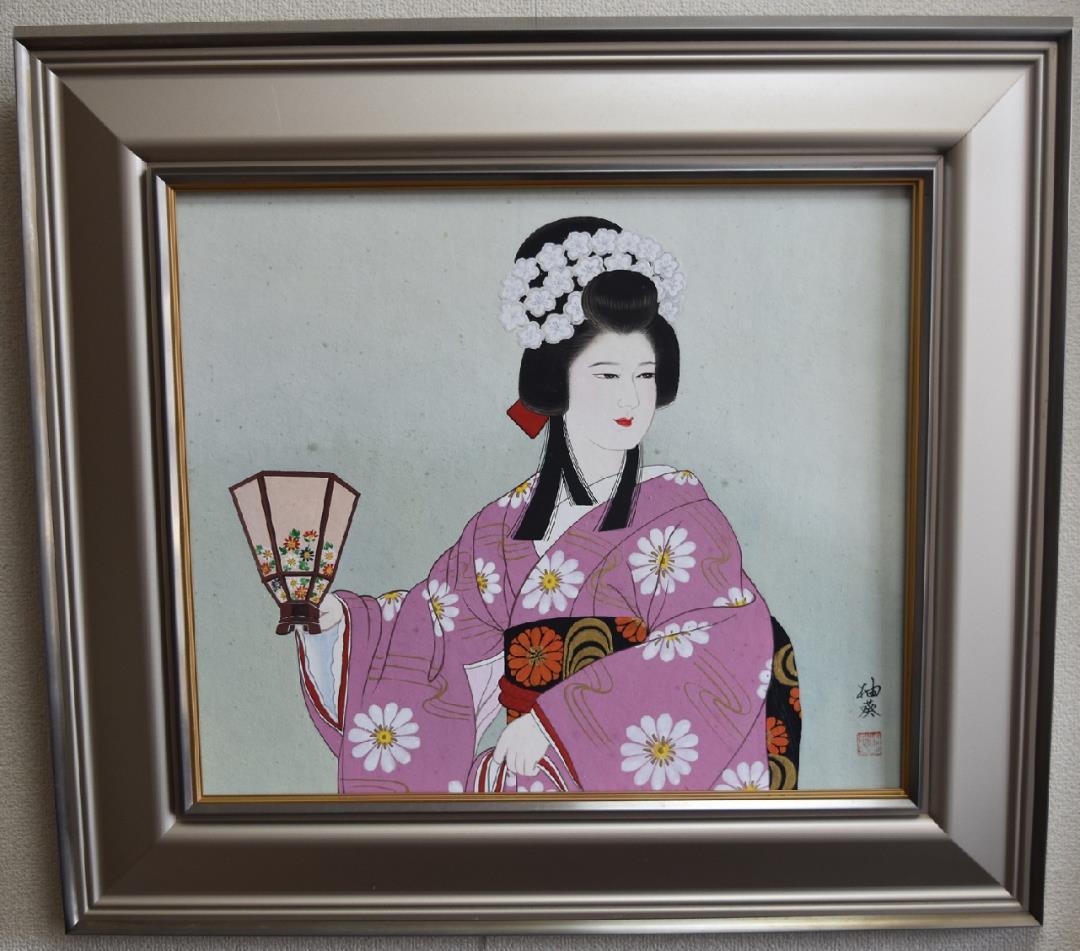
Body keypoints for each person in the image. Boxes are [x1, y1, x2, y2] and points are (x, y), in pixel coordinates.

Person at [290, 217, 800, 794]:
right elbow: (429, 635)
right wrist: (340, 629)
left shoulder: (686, 522)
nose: (630, 397)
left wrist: (557, 726)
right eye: (606, 374)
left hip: (618, 788)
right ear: (558, 380)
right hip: (524, 782)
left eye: (645, 375)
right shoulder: (501, 529)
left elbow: (725, 645)